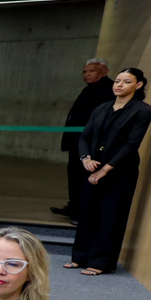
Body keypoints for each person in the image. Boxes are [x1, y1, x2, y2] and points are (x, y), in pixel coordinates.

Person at [68, 68, 151, 275]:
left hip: (120, 171)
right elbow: (84, 137)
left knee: (110, 216)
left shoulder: (142, 110)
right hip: (92, 168)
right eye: (117, 81)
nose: (119, 85)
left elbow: (131, 144)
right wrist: (85, 159)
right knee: (87, 213)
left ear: (138, 85)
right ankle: (80, 257)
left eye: (126, 82)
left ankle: (100, 262)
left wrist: (105, 169)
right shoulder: (102, 108)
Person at [54, 58, 115, 219]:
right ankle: (74, 205)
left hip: (92, 144)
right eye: (84, 71)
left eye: (91, 71)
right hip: (78, 142)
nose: (87, 74)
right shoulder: (89, 89)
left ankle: (83, 212)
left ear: (105, 72)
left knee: (84, 177)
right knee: (74, 175)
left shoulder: (108, 90)